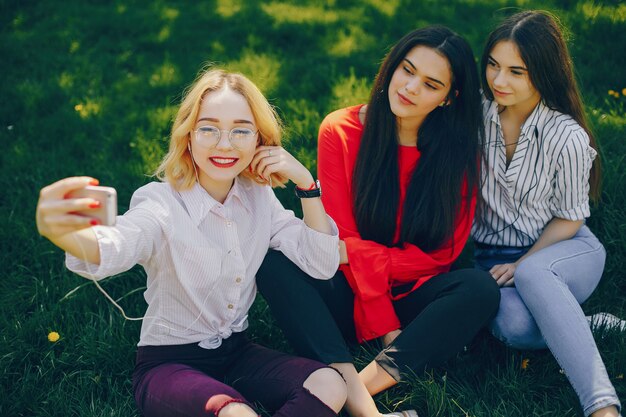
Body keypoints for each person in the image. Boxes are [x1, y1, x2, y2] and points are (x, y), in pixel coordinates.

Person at [35, 69, 348, 417]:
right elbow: (118, 242)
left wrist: (306, 184)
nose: (225, 144)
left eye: (241, 130)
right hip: (169, 364)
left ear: (260, 140)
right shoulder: (160, 203)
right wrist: (65, 233)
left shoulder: (259, 198)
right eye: (209, 128)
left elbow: (321, 264)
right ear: (188, 136)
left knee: (329, 383)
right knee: (235, 413)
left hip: (237, 354)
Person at [256, 26, 501, 417]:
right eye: (406, 69)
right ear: (392, 65)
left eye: (431, 84)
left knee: (479, 288)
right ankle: (367, 399)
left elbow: (441, 256)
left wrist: (374, 283)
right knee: (272, 260)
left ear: (448, 98)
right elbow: (337, 242)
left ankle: (356, 391)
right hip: (343, 294)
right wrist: (383, 321)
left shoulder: (460, 153)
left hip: (414, 298)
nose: (410, 87)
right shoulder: (341, 130)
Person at [471, 10, 622, 417]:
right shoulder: (474, 117)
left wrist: (523, 262)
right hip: (489, 255)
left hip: (565, 248)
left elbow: (571, 218)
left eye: (516, 71)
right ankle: (584, 323)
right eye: (493, 65)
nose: (499, 81)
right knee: (515, 328)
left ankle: (602, 405)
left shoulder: (566, 136)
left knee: (536, 273)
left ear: (544, 72)